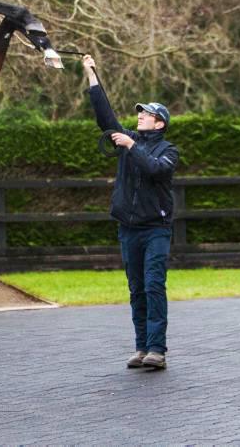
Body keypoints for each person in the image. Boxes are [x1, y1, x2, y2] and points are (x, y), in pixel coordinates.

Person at [83, 55, 179, 370]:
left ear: (160, 123)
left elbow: (154, 170)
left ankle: (157, 350)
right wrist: (91, 74)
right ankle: (141, 348)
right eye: (140, 114)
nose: (140, 117)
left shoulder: (168, 151)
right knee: (136, 289)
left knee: (153, 285)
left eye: (147, 114)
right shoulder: (129, 139)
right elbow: (104, 115)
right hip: (129, 229)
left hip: (156, 230)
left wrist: (130, 146)